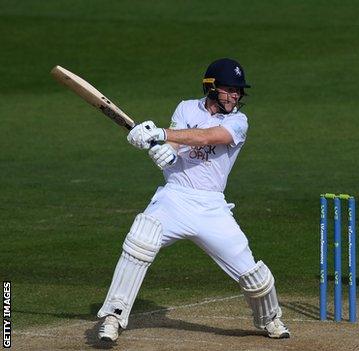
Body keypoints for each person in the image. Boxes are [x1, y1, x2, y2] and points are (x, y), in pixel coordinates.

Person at [96, 58, 291, 341]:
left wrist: (162, 133)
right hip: (174, 198)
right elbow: (178, 142)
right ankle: (113, 317)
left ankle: (271, 319)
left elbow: (208, 136)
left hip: (212, 207)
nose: (235, 95)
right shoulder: (186, 107)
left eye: (238, 91)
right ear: (211, 87)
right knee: (140, 240)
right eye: (229, 90)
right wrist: (164, 150)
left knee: (254, 276)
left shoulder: (238, 121)